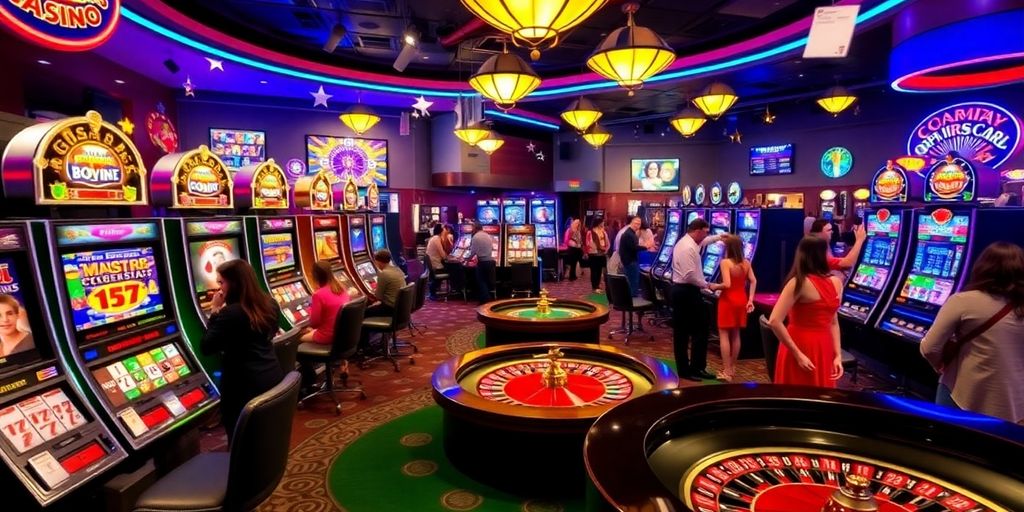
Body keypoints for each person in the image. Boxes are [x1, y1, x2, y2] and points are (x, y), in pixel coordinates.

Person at [920, 242, 1024, 424]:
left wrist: (940, 366)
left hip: (966, 393)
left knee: (950, 441)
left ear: (982, 267)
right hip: (1014, 399)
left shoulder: (963, 301)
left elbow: (929, 347)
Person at [200, 260, 283, 442]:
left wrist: (214, 310)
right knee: (262, 435)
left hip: (243, 386)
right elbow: (270, 332)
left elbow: (207, 347)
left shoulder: (231, 313)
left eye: (221, 282)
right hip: (271, 375)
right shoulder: (271, 303)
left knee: (240, 439)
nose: (219, 288)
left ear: (235, 282)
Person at [768, 237, 844, 388]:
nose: (831, 255)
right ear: (820, 255)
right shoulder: (799, 283)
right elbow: (774, 321)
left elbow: (833, 322)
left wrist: (837, 356)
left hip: (822, 345)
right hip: (799, 344)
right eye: (828, 251)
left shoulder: (835, 282)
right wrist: (797, 354)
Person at [670, 218, 724, 381]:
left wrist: (720, 237)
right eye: (706, 232)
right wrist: (708, 285)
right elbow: (690, 275)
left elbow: (704, 242)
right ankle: (692, 369)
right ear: (698, 230)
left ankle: (690, 368)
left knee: (686, 331)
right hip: (687, 291)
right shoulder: (688, 248)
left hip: (683, 290)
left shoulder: (689, 241)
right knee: (696, 330)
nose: (706, 235)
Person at [708, 235, 757, 381]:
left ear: (729, 247)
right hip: (741, 299)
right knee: (736, 334)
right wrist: (750, 300)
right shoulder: (746, 262)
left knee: (723, 335)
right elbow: (753, 281)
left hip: (728, 300)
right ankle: (733, 367)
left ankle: (727, 371)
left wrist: (715, 286)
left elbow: (727, 284)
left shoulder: (725, 262)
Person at [301, 261, 349, 345]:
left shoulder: (318, 294)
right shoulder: (342, 288)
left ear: (314, 276)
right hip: (343, 332)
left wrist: (310, 326)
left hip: (328, 335)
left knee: (295, 339)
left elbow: (314, 322)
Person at [367, 249, 406, 317]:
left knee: (361, 313)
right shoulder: (397, 269)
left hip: (390, 308)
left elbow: (378, 296)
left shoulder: (384, 273)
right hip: (401, 307)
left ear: (378, 261)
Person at [467, 223, 496, 304]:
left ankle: (485, 299)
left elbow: (473, 252)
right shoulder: (487, 235)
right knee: (486, 281)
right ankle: (486, 298)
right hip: (490, 261)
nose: (472, 230)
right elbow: (493, 248)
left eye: (472, 228)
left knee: (481, 281)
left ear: (476, 228)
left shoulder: (476, 237)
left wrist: (467, 260)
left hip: (482, 262)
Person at [619, 216, 643, 296]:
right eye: (636, 223)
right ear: (631, 223)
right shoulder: (629, 234)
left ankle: (631, 297)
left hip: (628, 260)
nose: (637, 225)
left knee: (632, 281)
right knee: (633, 281)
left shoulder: (630, 233)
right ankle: (632, 300)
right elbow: (634, 248)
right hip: (630, 261)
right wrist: (646, 246)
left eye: (639, 224)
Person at [587, 218, 610, 293]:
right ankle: (594, 287)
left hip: (602, 254)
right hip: (593, 254)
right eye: (602, 222)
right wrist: (598, 248)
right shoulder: (590, 232)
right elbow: (588, 243)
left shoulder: (603, 231)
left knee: (600, 270)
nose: (603, 223)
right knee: (594, 271)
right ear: (598, 223)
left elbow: (607, 242)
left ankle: (597, 285)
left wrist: (606, 249)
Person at [425, 224, 448, 299]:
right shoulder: (436, 239)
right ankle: (457, 289)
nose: (445, 230)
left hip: (434, 262)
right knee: (454, 269)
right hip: (435, 264)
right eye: (444, 229)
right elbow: (442, 254)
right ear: (441, 230)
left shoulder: (435, 238)